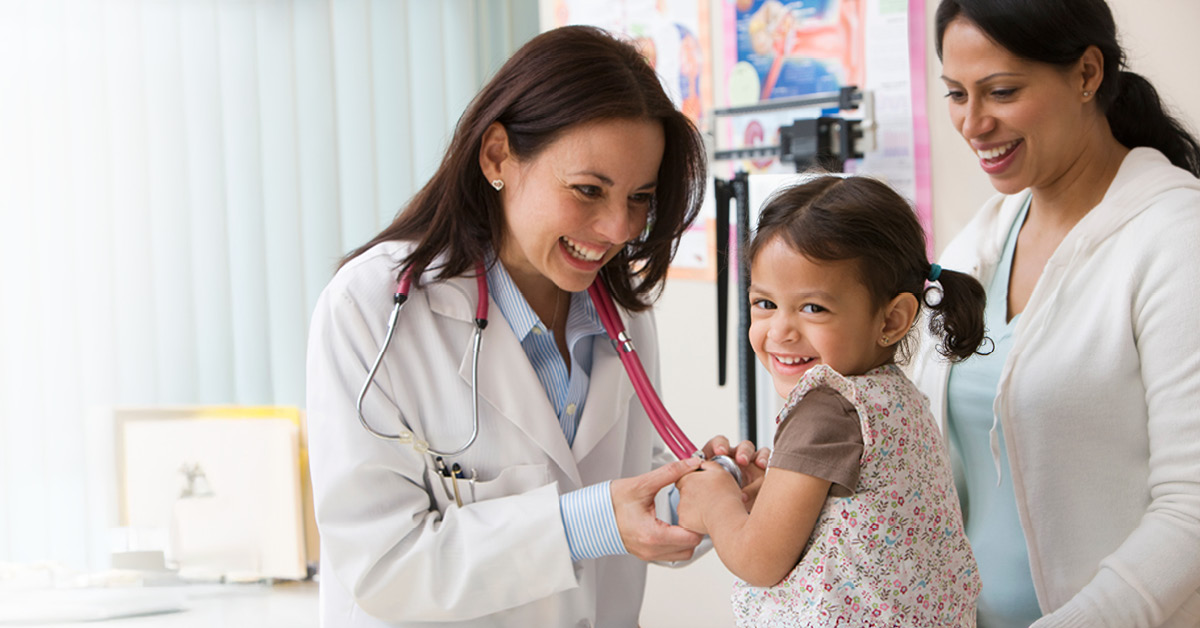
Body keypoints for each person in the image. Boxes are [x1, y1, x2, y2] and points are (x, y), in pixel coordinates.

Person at [305, 26, 768, 627]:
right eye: (588, 190)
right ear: (498, 156)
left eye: (639, 198)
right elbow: (383, 565)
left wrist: (705, 496)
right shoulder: (373, 310)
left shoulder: (620, 315)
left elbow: (626, 489)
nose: (619, 229)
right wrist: (590, 522)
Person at [913, 1, 1200, 626]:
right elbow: (931, 460)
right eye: (956, 94)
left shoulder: (1177, 238)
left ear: (1087, 74)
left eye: (1002, 92)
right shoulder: (977, 246)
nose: (972, 123)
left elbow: (1192, 508)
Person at [676, 175, 987, 626]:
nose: (780, 331)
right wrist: (768, 492)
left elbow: (758, 560)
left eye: (813, 308)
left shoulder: (826, 409)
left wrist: (715, 501)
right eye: (765, 303)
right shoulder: (894, 395)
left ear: (892, 319)